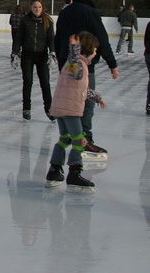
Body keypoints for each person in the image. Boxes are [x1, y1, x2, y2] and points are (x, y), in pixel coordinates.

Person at [54, 0, 119, 159]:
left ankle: (72, 136)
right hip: (84, 65)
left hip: (66, 64)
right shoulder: (90, 12)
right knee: (85, 100)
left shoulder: (65, 12)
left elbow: (58, 38)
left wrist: (61, 61)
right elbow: (102, 40)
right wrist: (112, 64)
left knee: (70, 99)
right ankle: (84, 139)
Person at [44, 32, 107, 193]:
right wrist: (74, 47)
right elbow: (74, 68)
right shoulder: (77, 64)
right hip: (70, 110)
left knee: (65, 139)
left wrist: (98, 98)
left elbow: (83, 88)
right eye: (94, 49)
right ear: (86, 49)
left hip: (61, 107)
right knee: (80, 141)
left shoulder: (79, 65)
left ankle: (54, 171)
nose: (96, 52)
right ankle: (74, 174)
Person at [12, 0, 55, 121]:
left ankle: (49, 108)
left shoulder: (48, 21)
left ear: (43, 8)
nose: (37, 9)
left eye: (39, 7)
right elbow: (18, 38)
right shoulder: (25, 20)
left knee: (45, 82)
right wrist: (15, 53)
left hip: (42, 55)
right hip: (27, 55)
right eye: (35, 7)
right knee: (28, 82)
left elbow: (51, 38)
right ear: (31, 7)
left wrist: (52, 52)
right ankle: (26, 109)